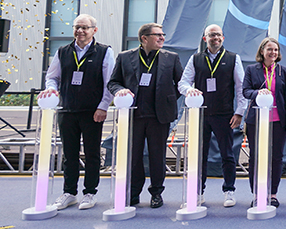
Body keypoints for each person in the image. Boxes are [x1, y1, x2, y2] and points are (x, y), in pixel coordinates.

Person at [41, 14, 115, 211]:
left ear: (94, 30)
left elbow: (109, 82)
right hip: (67, 109)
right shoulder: (63, 51)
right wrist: (52, 89)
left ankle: (90, 192)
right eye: (77, 27)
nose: (80, 31)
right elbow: (52, 77)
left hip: (92, 111)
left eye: (85, 27)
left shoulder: (104, 52)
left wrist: (103, 106)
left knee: (92, 153)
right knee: (69, 154)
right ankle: (69, 192)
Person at [108, 22, 183, 209]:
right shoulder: (125, 57)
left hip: (159, 116)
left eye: (163, 35)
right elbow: (113, 82)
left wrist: (168, 98)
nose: (162, 38)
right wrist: (120, 91)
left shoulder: (171, 58)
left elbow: (181, 84)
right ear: (144, 38)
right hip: (133, 116)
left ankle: (156, 193)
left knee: (157, 157)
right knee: (133, 157)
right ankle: (133, 193)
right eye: (158, 35)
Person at [177, 24, 246, 207]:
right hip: (200, 115)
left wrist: (239, 112)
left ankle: (229, 190)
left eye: (218, 35)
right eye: (211, 35)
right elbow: (182, 83)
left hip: (225, 115)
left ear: (223, 37)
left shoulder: (233, 58)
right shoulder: (196, 59)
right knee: (199, 155)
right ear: (204, 38)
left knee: (227, 154)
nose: (215, 38)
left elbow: (241, 87)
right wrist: (189, 90)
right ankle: (198, 192)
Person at [242, 37, 286, 208]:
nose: (273, 52)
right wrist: (258, 93)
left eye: (276, 50)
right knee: (256, 158)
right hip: (256, 122)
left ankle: (272, 194)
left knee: (276, 158)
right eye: (270, 49)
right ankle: (257, 194)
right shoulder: (251, 70)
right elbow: (245, 91)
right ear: (262, 51)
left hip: (278, 121)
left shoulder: (284, 72)